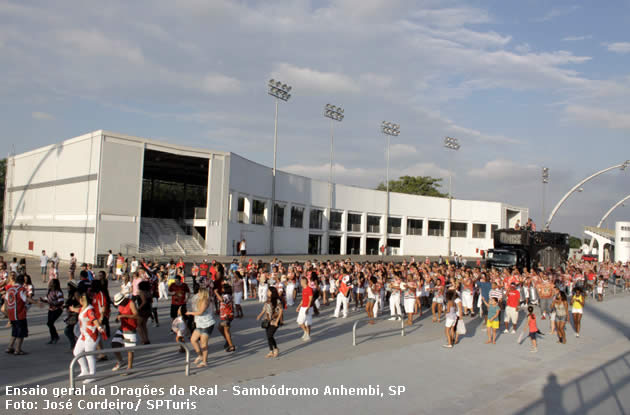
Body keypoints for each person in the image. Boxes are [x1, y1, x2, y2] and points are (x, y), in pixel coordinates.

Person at [71, 290, 106, 383]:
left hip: (91, 335)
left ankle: (92, 374)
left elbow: (94, 319)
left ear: (83, 300)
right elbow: (80, 311)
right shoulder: (83, 308)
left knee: (89, 354)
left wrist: (99, 327)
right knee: (76, 352)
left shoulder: (90, 309)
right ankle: (85, 370)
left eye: (80, 300)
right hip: (84, 335)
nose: (79, 301)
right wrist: (73, 309)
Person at [5, 273, 39, 355]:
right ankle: (18, 349)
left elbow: (6, 301)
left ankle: (10, 347)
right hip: (19, 314)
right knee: (21, 333)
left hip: (11, 314)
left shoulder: (10, 289)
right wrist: (36, 303)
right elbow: (26, 298)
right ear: (22, 282)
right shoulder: (21, 289)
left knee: (14, 331)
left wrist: (7, 313)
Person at [185, 289, 215, 368]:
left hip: (207, 324)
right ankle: (200, 355)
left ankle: (205, 361)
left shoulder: (205, 301)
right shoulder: (199, 300)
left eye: (199, 292)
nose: (197, 294)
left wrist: (190, 313)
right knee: (193, 339)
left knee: (203, 344)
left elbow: (200, 312)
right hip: (199, 324)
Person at [112, 292, 138, 373]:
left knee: (129, 349)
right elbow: (120, 312)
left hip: (130, 328)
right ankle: (121, 361)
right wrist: (118, 317)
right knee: (114, 343)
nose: (120, 304)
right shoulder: (121, 305)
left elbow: (136, 315)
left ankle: (130, 367)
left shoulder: (131, 303)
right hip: (123, 327)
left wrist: (124, 316)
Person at [257, 286, 283, 358]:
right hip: (267, 320)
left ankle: (275, 348)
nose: (267, 292)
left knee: (270, 335)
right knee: (268, 336)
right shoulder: (267, 300)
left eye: (268, 291)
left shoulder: (277, 301)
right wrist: (260, 315)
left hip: (274, 321)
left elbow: (280, 311)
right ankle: (271, 351)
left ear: (272, 292)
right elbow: (264, 309)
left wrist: (277, 321)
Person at [40, 279, 64, 344]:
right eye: (50, 283)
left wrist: (52, 303)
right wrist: (42, 300)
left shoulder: (58, 292)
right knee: (49, 323)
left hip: (57, 309)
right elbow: (47, 299)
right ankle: (53, 337)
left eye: (52, 283)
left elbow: (61, 301)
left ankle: (55, 337)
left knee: (50, 323)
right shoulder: (49, 291)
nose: (50, 284)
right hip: (51, 309)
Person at [218, 285, 236, 352]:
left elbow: (222, 300)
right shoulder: (228, 296)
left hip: (227, 316)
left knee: (226, 331)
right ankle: (228, 340)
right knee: (220, 327)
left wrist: (216, 293)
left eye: (222, 288)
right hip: (226, 315)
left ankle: (231, 346)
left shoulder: (227, 296)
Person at [296, 277, 313, 341]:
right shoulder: (304, 289)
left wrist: (308, 308)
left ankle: (307, 334)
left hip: (308, 307)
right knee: (300, 322)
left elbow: (310, 299)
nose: (300, 283)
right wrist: (299, 306)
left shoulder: (309, 289)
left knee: (307, 323)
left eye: (301, 281)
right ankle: (306, 333)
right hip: (303, 307)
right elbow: (303, 299)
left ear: (303, 282)